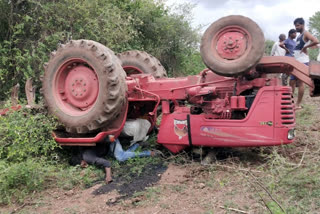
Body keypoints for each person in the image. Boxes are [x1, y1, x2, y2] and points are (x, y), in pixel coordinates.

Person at [292, 18, 319, 110]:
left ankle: (298, 104)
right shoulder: (299, 36)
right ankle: (292, 102)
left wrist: (306, 47)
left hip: (303, 61)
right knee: (292, 82)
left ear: (303, 25)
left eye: (298, 25)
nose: (296, 27)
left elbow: (316, 41)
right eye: (295, 25)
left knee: (300, 83)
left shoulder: (305, 33)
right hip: (296, 60)